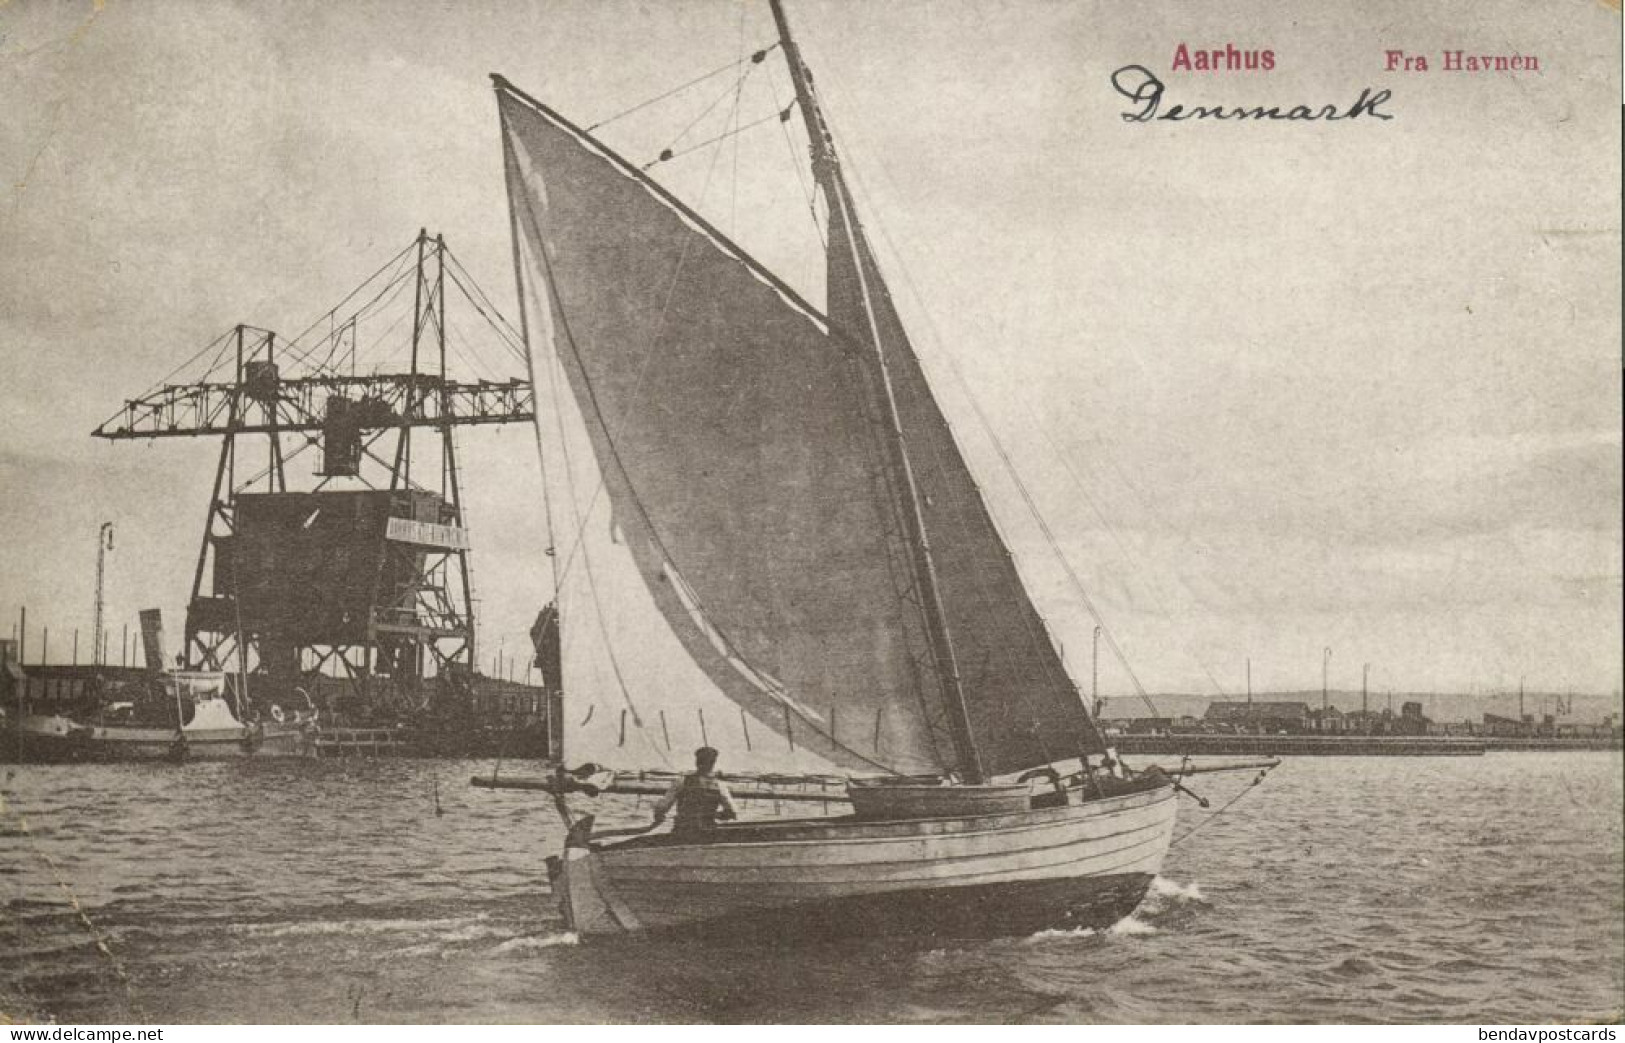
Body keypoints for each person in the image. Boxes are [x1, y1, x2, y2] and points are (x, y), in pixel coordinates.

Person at [652, 746, 739, 835]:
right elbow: (733, 812)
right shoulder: (720, 786)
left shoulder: (681, 782)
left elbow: (662, 808)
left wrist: (659, 815)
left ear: (696, 762)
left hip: (682, 832)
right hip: (708, 833)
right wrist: (714, 815)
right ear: (713, 763)